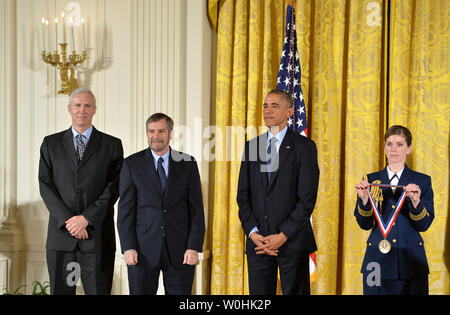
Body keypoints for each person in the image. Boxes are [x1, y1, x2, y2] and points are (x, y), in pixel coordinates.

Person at [38, 87, 124, 295]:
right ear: (69, 109)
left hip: (96, 238)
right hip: (61, 238)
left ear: (94, 110)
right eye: (77, 105)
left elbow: (114, 187)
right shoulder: (51, 144)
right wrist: (71, 221)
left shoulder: (112, 145)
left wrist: (86, 218)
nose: (82, 110)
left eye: (87, 105)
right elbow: (45, 186)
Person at [237, 89, 320, 295]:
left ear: (290, 111)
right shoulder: (252, 147)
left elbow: (306, 200)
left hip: (292, 242)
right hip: (258, 244)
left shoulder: (304, 147)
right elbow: (243, 197)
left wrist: (282, 236)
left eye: (274, 106)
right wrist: (254, 233)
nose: (267, 110)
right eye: (265, 105)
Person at [117, 113, 205, 295]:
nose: (155, 136)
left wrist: (193, 246)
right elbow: (125, 211)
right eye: (151, 131)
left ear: (171, 133)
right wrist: (128, 247)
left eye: (161, 131)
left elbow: (196, 210)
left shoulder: (188, 163)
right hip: (142, 251)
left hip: (181, 251)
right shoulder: (131, 164)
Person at [354, 125, 434, 295]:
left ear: (409, 148)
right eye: (389, 144)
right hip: (375, 262)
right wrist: (364, 200)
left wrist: (416, 203)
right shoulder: (371, 180)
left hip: (411, 261)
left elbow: (424, 224)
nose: (393, 149)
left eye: (399, 144)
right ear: (384, 147)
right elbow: (364, 224)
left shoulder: (422, 180)